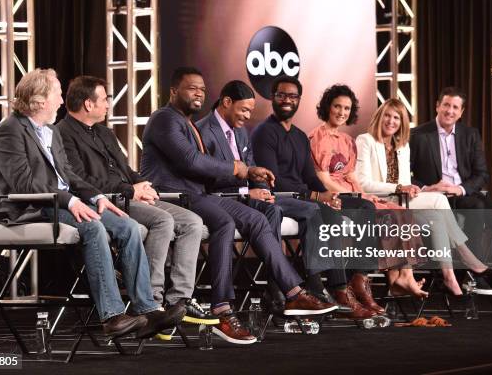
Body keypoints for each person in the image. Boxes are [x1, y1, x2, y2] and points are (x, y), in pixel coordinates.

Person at [140, 67, 337, 344]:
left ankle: (293, 294)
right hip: (173, 196)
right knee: (225, 222)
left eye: (202, 89)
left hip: (197, 194)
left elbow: (200, 168)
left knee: (257, 219)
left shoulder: (187, 123)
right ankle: (222, 310)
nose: (199, 93)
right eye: (192, 88)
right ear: (173, 91)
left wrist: (250, 174)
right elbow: (190, 161)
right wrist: (239, 170)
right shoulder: (164, 119)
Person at [0, 69, 184, 340]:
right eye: (57, 95)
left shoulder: (49, 131)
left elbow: (68, 175)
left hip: (63, 203)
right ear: (39, 100)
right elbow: (24, 184)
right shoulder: (10, 130)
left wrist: (97, 197)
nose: (61, 101)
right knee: (93, 228)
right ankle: (113, 316)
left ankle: (148, 310)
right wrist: (69, 201)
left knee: (128, 226)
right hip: (30, 208)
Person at [56, 75, 215, 328]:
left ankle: (180, 301)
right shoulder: (62, 134)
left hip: (129, 194)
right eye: (106, 99)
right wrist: (130, 190)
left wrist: (143, 184)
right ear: (88, 104)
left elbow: (125, 168)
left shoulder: (104, 133)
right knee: (163, 220)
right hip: (107, 200)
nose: (109, 104)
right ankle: (152, 302)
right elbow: (80, 180)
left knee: (193, 222)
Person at [251, 75, 381, 319]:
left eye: (292, 96)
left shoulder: (299, 137)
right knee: (320, 210)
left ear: (299, 100)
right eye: (281, 95)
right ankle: (331, 288)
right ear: (273, 97)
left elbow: (310, 176)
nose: (287, 100)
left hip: (303, 196)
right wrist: (315, 196)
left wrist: (328, 195)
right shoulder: (264, 133)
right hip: (278, 198)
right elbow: (272, 179)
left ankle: (359, 279)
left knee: (363, 206)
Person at [409, 86, 492, 316]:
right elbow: (408, 174)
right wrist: (431, 188)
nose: (450, 111)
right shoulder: (418, 135)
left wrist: (460, 188)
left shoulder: (470, 134)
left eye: (455, 107)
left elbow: (482, 174)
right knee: (476, 208)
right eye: (446, 105)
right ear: (437, 106)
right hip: (436, 198)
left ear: (461, 112)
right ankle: (475, 273)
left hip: (465, 193)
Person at [196, 80, 323, 311]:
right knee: (270, 210)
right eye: (243, 109)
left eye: (250, 111)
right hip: (220, 200)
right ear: (226, 102)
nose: (247, 116)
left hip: (248, 196)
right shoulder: (204, 131)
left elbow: (250, 168)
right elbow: (207, 184)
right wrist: (246, 192)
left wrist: (261, 184)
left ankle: (281, 288)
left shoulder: (242, 133)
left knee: (280, 207)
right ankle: (281, 290)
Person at [355, 98, 488, 296]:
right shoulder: (365, 140)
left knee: (437, 218)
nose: (391, 121)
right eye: (388, 116)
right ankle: (463, 252)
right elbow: (363, 183)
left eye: (397, 118)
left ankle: (449, 275)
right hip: (378, 201)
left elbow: (404, 185)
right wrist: (400, 187)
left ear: (402, 123)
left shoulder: (402, 146)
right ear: (380, 117)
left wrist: (419, 190)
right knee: (440, 201)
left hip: (399, 200)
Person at [309, 84, 427, 298]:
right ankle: (367, 279)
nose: (342, 112)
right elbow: (323, 179)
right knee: (378, 212)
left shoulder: (347, 140)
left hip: (354, 195)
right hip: (334, 197)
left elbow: (352, 176)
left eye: (346, 108)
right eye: (337, 106)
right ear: (327, 107)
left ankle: (405, 276)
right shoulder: (317, 137)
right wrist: (359, 197)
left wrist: (364, 193)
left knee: (400, 210)